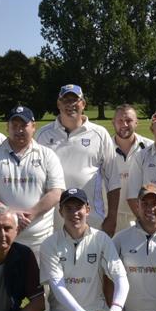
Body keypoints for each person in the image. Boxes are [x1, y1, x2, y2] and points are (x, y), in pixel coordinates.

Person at [0, 106, 65, 262]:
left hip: (38, 239)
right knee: (0, 284)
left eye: (24, 125)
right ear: (7, 127)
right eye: (14, 126)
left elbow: (56, 192)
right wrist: (10, 215)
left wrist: (30, 215)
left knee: (37, 285)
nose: (19, 130)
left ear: (33, 126)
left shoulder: (47, 155)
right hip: (0, 238)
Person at [37, 84, 121, 235]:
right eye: (65, 100)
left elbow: (113, 180)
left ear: (83, 103)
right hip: (53, 223)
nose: (70, 105)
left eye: (75, 100)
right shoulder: (42, 135)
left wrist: (112, 217)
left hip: (92, 220)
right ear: (58, 104)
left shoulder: (100, 134)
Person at [111, 104, 152, 230]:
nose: (124, 125)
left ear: (136, 123)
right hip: (111, 216)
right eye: (120, 121)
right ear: (113, 123)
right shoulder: (103, 148)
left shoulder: (150, 148)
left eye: (128, 120)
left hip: (142, 215)